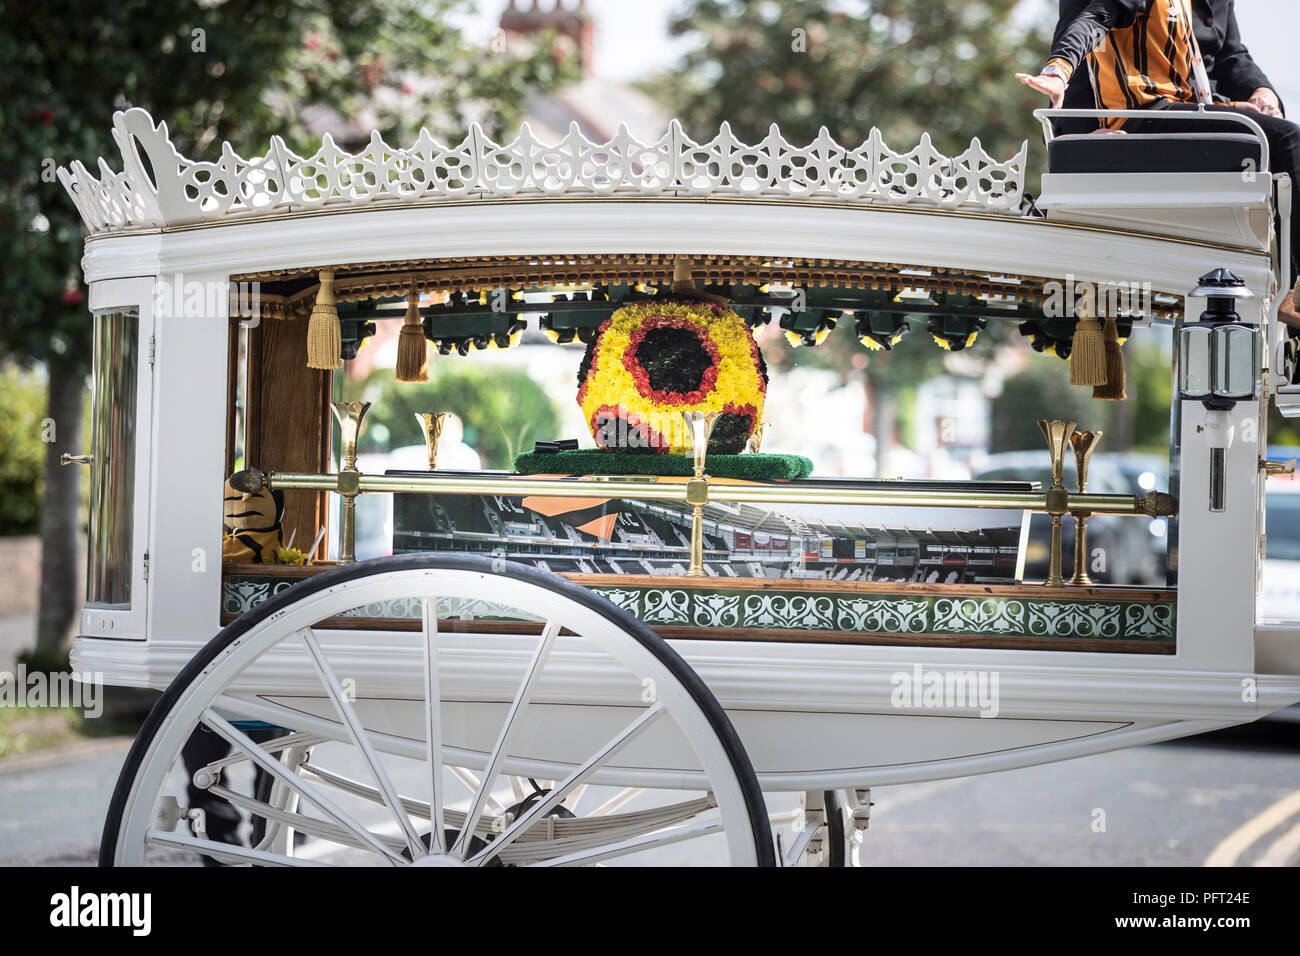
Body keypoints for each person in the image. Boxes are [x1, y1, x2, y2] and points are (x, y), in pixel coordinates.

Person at [1015, 0, 1300, 322]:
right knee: (1286, 139)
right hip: (1126, 116)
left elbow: (1226, 53)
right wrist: (1059, 71)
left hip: (1184, 104)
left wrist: (1259, 95)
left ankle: (1288, 293)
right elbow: (1095, 16)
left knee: (1276, 140)